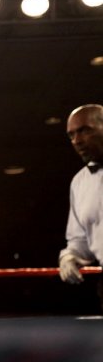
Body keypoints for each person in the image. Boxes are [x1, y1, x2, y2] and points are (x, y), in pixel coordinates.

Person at [59, 104, 103, 307]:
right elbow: (80, 239)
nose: (77, 141)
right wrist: (70, 256)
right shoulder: (79, 183)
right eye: (71, 135)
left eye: (84, 130)